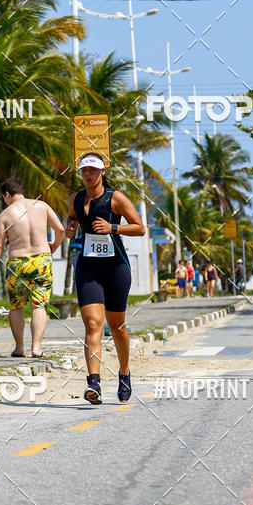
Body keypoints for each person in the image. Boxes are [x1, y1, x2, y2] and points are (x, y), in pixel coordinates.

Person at [66, 153, 145, 404]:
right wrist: (70, 226)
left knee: (117, 327)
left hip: (115, 267)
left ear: (102, 172)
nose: (88, 174)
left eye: (93, 170)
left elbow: (139, 227)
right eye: (84, 170)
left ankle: (124, 372)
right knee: (92, 324)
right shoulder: (75, 199)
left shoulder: (115, 198)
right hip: (88, 266)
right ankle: (94, 383)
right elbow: (71, 218)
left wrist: (114, 228)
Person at [0, 177, 64, 359]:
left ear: (7, 194)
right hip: (41, 261)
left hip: (18, 263)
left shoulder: (5, 215)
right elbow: (60, 229)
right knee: (39, 305)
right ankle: (36, 348)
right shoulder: (42, 206)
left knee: (16, 306)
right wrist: (55, 246)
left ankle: (19, 347)